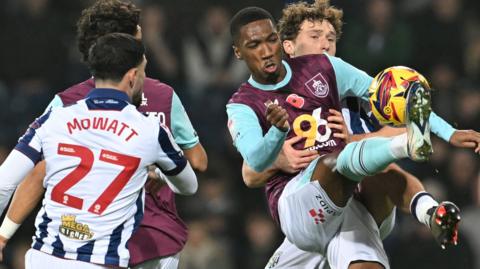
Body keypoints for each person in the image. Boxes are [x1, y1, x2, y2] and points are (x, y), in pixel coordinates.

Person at [226, 6, 475, 268]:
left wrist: (449, 132)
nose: (324, 44)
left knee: (369, 166)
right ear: (290, 45)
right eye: (315, 36)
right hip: (300, 202)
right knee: (341, 162)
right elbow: (250, 170)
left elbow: (397, 99)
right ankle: (409, 157)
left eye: (331, 38)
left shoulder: (330, 71)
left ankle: (428, 209)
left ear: (278, 40)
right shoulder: (244, 104)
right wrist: (277, 143)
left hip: (355, 196)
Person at [0, 1, 208, 268]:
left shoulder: (60, 109)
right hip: (142, 242)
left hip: (62, 244)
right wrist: (157, 170)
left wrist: (4, 234)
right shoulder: (159, 108)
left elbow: (27, 175)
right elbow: (196, 169)